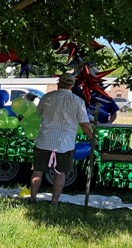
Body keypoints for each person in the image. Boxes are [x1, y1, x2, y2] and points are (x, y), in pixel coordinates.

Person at [29, 72, 94, 204]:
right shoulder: (78, 101)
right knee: (60, 173)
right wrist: (92, 138)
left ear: (59, 83)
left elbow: (38, 114)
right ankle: (54, 201)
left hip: (44, 140)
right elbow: (85, 124)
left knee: (38, 171)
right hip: (65, 143)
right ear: (73, 85)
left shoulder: (47, 97)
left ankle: (32, 198)